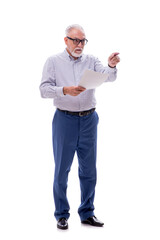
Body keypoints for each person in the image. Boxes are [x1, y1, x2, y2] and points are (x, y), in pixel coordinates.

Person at [39, 24, 120, 230]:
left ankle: (87, 213)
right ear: (65, 40)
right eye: (75, 40)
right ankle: (61, 214)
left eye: (83, 40)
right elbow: (44, 90)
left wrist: (110, 66)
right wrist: (64, 90)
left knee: (89, 170)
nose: (80, 44)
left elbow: (108, 76)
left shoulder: (91, 60)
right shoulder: (53, 61)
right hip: (64, 120)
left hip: (89, 120)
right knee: (61, 171)